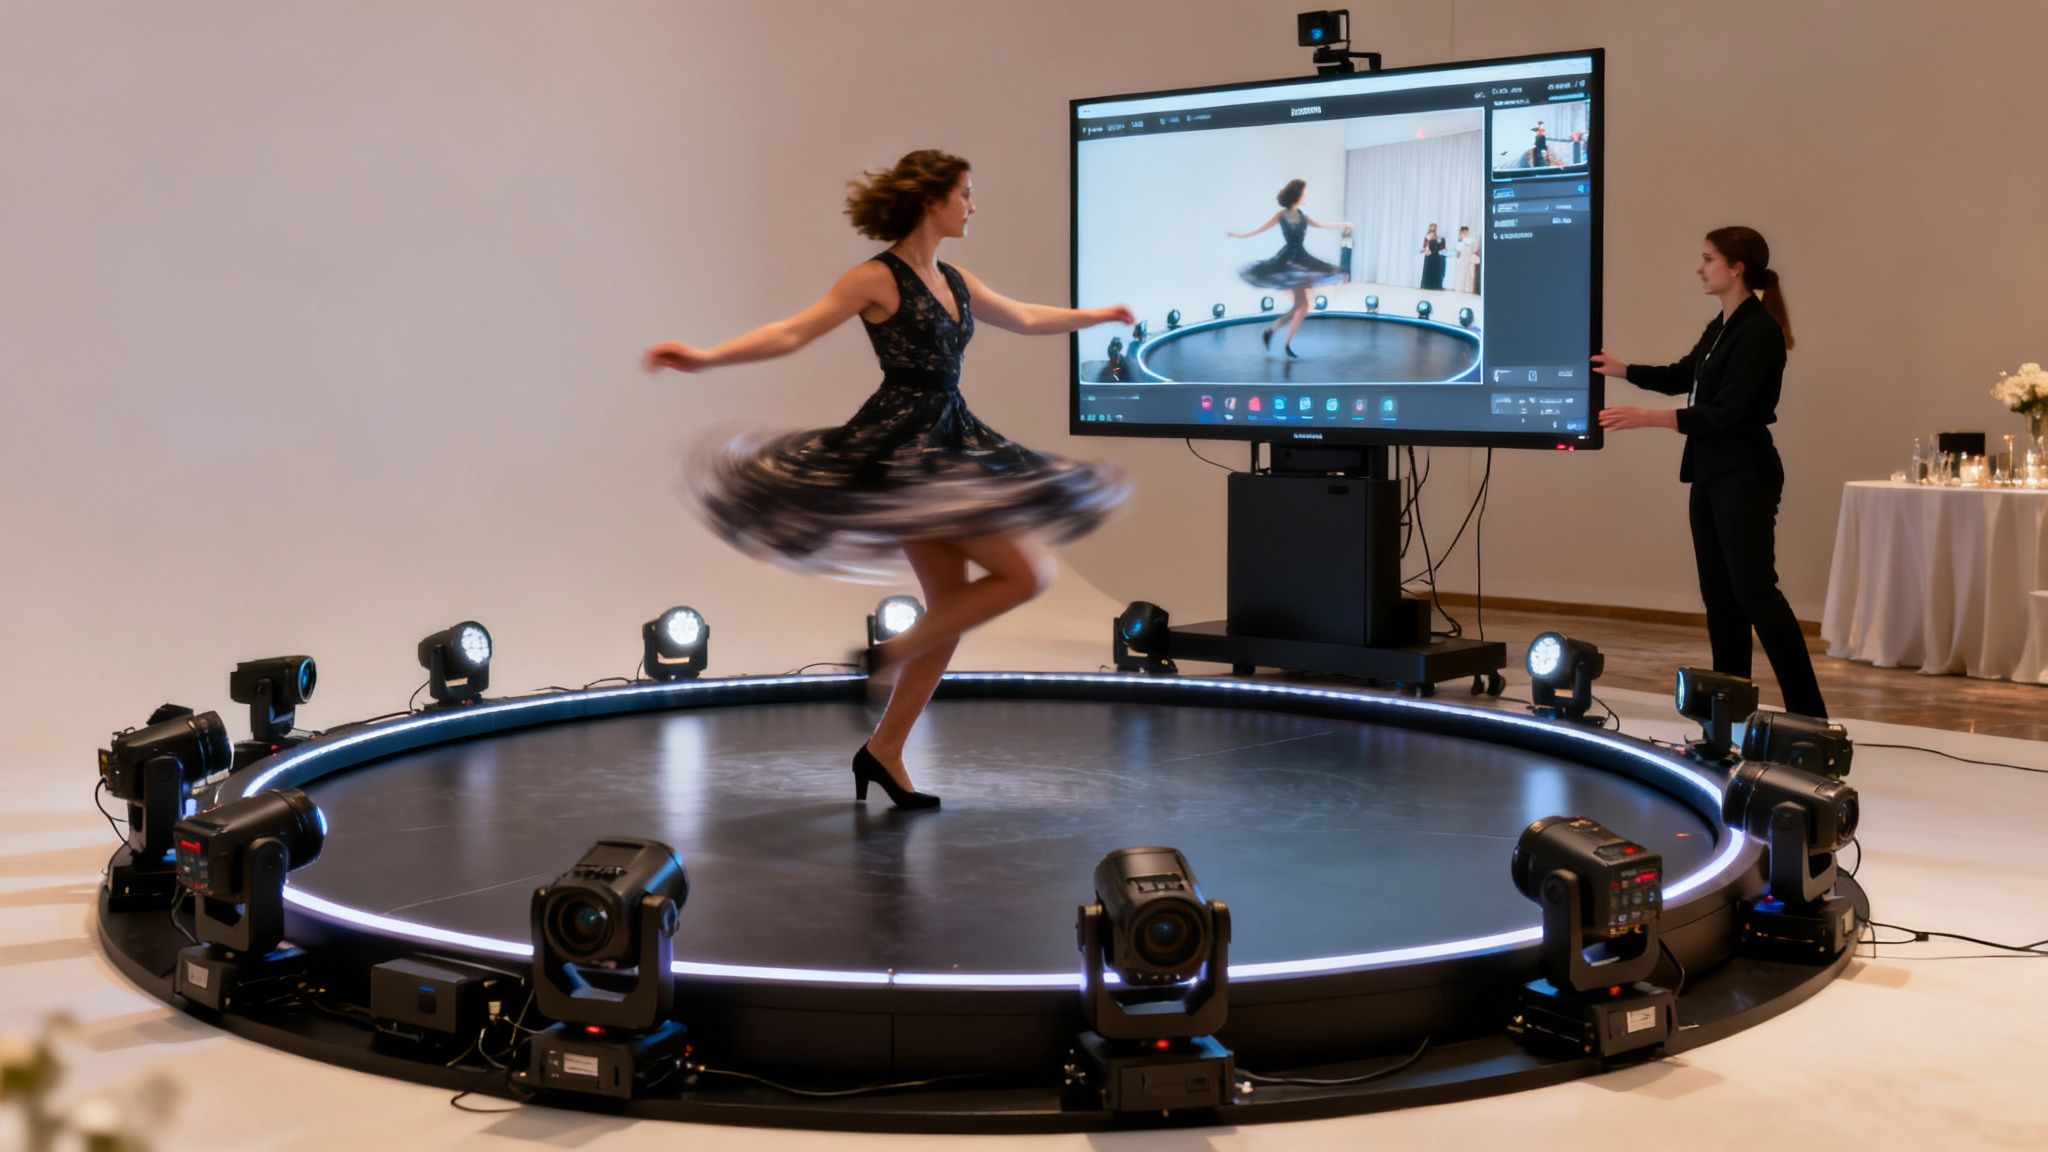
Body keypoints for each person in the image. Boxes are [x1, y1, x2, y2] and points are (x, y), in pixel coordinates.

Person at [643, 149, 1134, 809]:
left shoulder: (957, 279)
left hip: (952, 440)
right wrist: (703, 358)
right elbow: (791, 333)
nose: (972, 205)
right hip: (904, 452)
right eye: (965, 193)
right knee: (1027, 575)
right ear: (932, 200)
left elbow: (1023, 316)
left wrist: (1097, 316)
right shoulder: (873, 279)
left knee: (950, 612)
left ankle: (884, 751)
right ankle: (885, 654)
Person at [1592, 226, 1827, 718]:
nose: (1701, 268)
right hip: (1710, 472)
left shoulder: (1758, 331)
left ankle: (1810, 715)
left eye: (1709, 259)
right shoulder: (1722, 325)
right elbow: (1684, 375)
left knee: (1755, 594)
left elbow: (1727, 413)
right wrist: (1623, 369)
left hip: (1745, 472)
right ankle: (1731, 710)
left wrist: (1647, 418)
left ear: (1736, 267)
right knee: (1720, 599)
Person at [1228, 179, 1352, 358]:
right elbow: (1258, 230)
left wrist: (1345, 225)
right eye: (1305, 192)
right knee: (1302, 306)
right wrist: (1238, 235)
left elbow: (1323, 224)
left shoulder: (1303, 216)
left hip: (1302, 261)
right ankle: (1280, 339)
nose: (1306, 195)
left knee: (1301, 306)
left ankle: (1274, 334)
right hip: (1288, 263)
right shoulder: (1281, 216)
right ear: (1297, 194)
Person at [1453, 226, 1480, 294]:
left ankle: (1468, 289)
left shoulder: (1471, 240)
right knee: (1461, 273)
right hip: (1462, 259)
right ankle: (1460, 288)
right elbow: (1458, 252)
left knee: (1469, 273)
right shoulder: (1460, 241)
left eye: (1466, 231)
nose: (1465, 233)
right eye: (1464, 232)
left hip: (1468, 258)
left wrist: (1474, 253)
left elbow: (1475, 249)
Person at [1419, 223, 1446, 291]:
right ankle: (1427, 285)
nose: (1432, 229)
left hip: (1436, 257)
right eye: (1431, 227)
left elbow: (1442, 247)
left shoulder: (1439, 237)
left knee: (1436, 271)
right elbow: (1424, 246)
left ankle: (1436, 286)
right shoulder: (1427, 237)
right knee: (1428, 271)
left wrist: (1442, 241)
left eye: (1433, 227)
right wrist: (1425, 249)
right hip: (1429, 257)